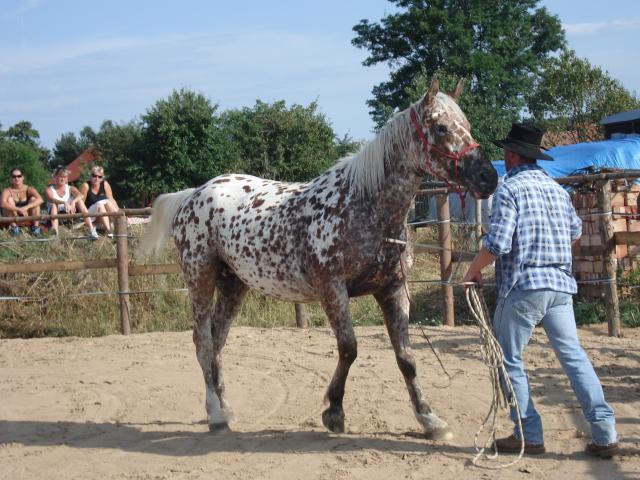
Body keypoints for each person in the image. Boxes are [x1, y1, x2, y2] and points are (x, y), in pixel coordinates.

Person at [463, 124, 619, 458]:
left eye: (507, 150)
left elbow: (498, 244)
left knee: (508, 361)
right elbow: (574, 234)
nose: (504, 156)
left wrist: (473, 270)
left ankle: (528, 434)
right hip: (560, 287)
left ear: (514, 155)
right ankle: (605, 433)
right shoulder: (557, 190)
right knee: (574, 358)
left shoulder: (509, 190)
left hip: (523, 288)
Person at [45, 166, 98, 239]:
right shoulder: (49, 189)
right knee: (54, 205)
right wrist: (64, 202)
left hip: (69, 213)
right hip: (55, 214)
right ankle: (55, 232)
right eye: (61, 176)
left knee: (79, 201)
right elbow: (51, 199)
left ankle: (91, 230)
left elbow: (80, 195)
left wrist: (73, 202)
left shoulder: (70, 188)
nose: (63, 179)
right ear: (55, 177)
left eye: (65, 177)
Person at [0, 168, 44, 237]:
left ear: (23, 177)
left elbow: (40, 200)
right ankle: (14, 229)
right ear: (11, 179)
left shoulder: (29, 189)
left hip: (27, 216)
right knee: (9, 200)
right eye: (14, 176)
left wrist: (26, 207)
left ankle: (35, 229)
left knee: (34, 199)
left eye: (19, 176)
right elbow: (2, 203)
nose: (16, 178)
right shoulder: (7, 190)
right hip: (13, 217)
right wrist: (18, 209)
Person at [79, 166, 119, 236]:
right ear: (90, 176)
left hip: (102, 213)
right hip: (90, 214)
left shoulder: (105, 184)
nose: (97, 178)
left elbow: (111, 199)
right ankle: (110, 232)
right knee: (100, 204)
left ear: (102, 178)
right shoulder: (86, 186)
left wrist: (119, 211)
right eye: (94, 176)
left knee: (108, 203)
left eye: (99, 177)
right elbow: (80, 204)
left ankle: (118, 227)